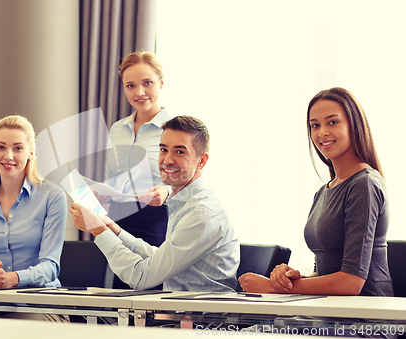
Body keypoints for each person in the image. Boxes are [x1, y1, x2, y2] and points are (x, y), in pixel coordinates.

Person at [238, 87, 393, 298]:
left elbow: (351, 283)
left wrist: (273, 287)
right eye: (315, 125)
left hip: (366, 318)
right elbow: (325, 273)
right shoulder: (324, 191)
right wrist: (291, 280)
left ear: (354, 126)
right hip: (330, 310)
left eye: (332, 122)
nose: (322, 132)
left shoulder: (364, 184)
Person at [70, 116, 240, 291]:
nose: (167, 160)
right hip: (178, 313)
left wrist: (98, 230)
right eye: (163, 149)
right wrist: (114, 229)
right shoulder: (185, 203)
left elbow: (142, 277)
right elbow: (159, 257)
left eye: (180, 152)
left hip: (197, 317)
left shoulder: (201, 213)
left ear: (202, 161)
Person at [0, 115, 68, 321]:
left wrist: (12, 279)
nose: (8, 155)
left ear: (30, 153)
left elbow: (50, 266)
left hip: (42, 305)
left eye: (17, 148)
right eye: (1, 147)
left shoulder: (53, 196)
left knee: (14, 329)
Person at [101, 51, 172, 248]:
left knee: (152, 277)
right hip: (116, 219)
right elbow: (111, 176)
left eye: (147, 83)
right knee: (114, 278)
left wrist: (167, 191)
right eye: (130, 86)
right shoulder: (117, 129)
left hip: (156, 220)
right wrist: (101, 193)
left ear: (161, 83)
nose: (139, 92)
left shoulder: (174, 130)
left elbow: (192, 182)